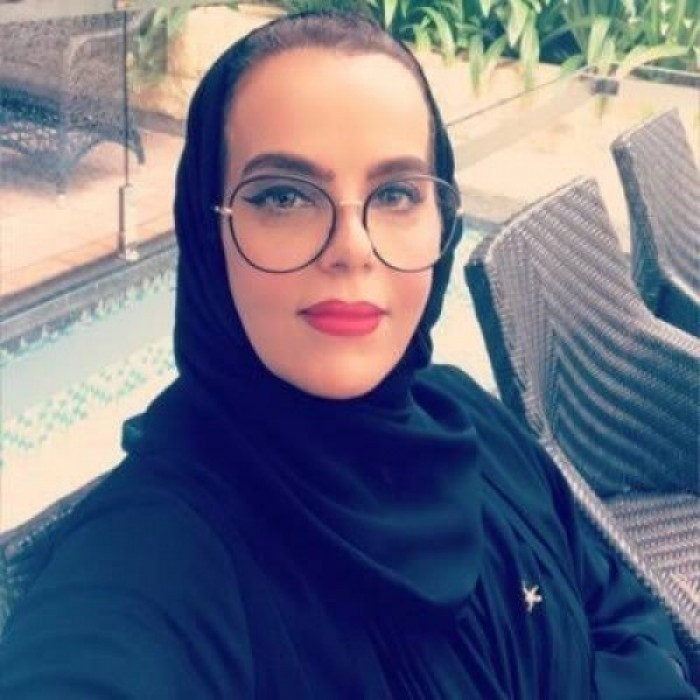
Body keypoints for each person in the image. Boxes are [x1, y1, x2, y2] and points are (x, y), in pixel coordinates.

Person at [0, 11, 695, 699]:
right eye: (283, 196)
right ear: (207, 232)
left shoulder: (469, 419)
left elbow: (619, 610)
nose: (352, 248)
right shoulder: (156, 560)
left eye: (395, 193)